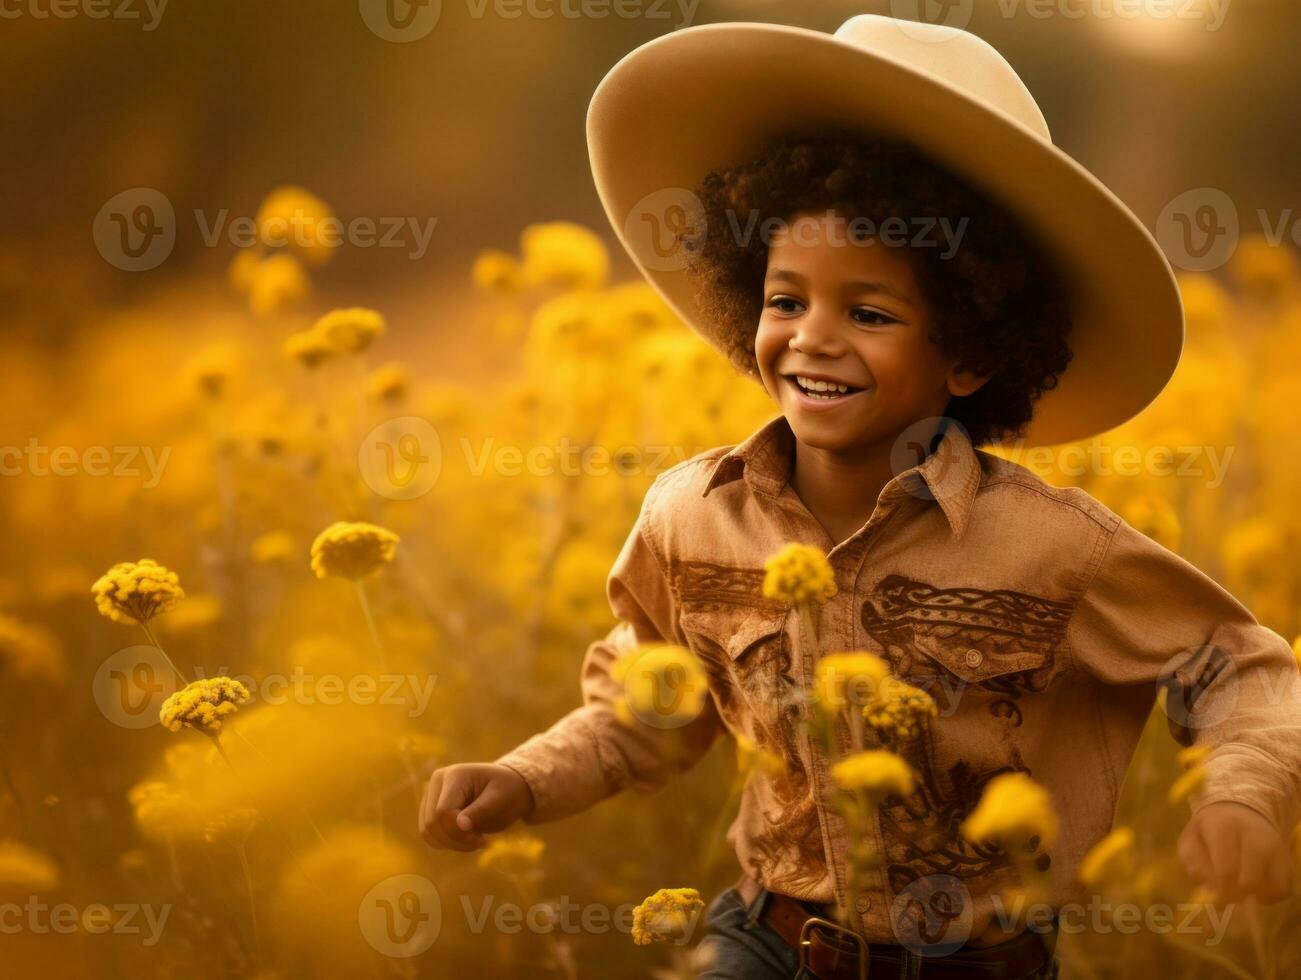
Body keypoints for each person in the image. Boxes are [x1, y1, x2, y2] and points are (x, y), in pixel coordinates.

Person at [421, 14, 1300, 978]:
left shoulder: (1054, 549)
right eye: (785, 300)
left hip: (981, 961)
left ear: (967, 353)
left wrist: (1241, 795)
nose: (812, 339)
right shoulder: (690, 517)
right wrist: (520, 779)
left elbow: (1243, 669)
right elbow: (647, 707)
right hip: (766, 940)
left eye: (869, 312)